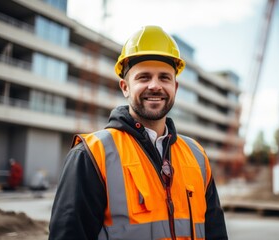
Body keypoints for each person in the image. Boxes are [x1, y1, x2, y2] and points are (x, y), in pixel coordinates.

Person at [49, 25, 228, 240]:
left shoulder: (197, 156)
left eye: (164, 77)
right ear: (125, 87)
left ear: (175, 87)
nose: (155, 86)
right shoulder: (92, 155)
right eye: (143, 77)